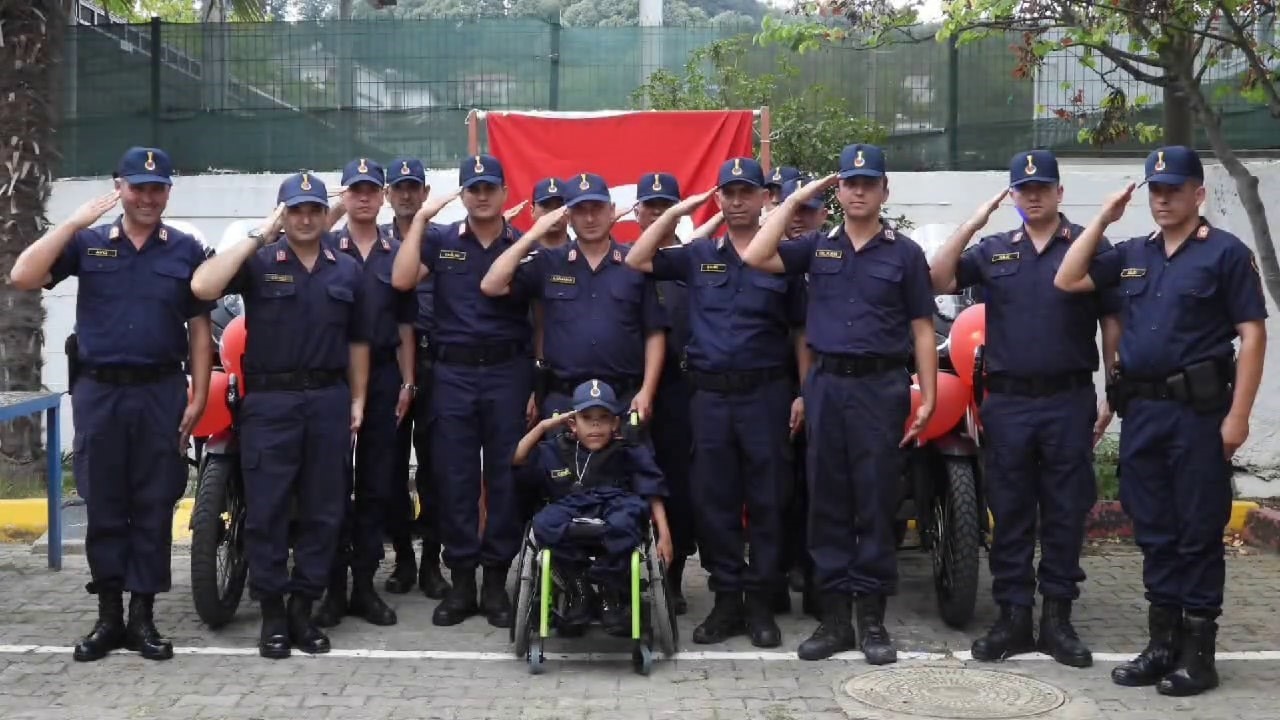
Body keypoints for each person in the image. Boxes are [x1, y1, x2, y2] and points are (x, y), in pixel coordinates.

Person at [1053, 146, 1267, 696]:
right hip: (1144, 412)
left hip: (1198, 415)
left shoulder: (1224, 254)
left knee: (1196, 531)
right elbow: (1067, 278)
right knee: (1153, 530)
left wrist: (1238, 415)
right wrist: (1103, 217)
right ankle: (1162, 644)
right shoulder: (1130, 254)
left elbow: (1252, 334)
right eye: (1155, 189)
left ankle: (1199, 654)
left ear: (1198, 194)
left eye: (1174, 188)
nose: (1163, 197)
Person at [10, 147, 213, 662]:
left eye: (157, 187)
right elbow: (23, 276)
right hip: (100, 391)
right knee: (102, 500)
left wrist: (200, 392)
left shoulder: (185, 249)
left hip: (161, 391)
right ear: (118, 187)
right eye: (138, 186)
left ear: (168, 192)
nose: (147, 197)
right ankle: (108, 618)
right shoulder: (88, 243)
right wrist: (72, 222)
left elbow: (199, 327)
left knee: (153, 500)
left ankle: (143, 617)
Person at [742, 144, 937, 664]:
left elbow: (922, 329)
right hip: (826, 385)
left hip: (880, 388)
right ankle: (834, 621)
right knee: (827, 501)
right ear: (839, 191)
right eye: (849, 182)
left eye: (867, 183)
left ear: (883, 191)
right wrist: (800, 195)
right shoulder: (817, 248)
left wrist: (929, 394)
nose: (857, 190)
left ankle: (871, 622)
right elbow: (756, 254)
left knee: (874, 502)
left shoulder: (906, 254)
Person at [928, 150, 1119, 668]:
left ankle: (1057, 619)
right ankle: (1013, 617)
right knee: (1010, 512)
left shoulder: (1091, 246)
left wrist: (1113, 390)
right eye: (1023, 189)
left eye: (1042, 187)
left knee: (1064, 511)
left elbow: (1111, 322)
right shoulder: (993, 250)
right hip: (1008, 400)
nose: (1033, 196)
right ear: (1012, 196)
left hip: (1067, 398)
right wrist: (973, 220)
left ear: (1058, 193)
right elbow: (939, 279)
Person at [627, 158, 808, 649]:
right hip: (708, 397)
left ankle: (761, 601)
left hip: (766, 394)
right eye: (727, 193)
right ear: (718, 199)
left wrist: (803, 392)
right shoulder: (696, 254)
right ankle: (727, 597)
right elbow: (637, 258)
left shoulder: (784, 259)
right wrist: (679, 210)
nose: (736, 201)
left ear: (763, 197)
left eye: (746, 192)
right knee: (714, 501)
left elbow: (800, 335)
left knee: (769, 498)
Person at [191, 172, 369, 659]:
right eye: (295, 209)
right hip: (270, 403)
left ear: (324, 213)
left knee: (323, 508)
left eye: (313, 208)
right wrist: (258, 234)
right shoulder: (259, 262)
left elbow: (358, 342)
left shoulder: (346, 270)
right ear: (282, 214)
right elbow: (203, 284)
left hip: (329, 401)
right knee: (266, 509)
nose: (306, 217)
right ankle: (271, 613)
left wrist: (357, 399)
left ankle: (302, 611)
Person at [391, 154, 530, 629]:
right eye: (473, 188)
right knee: (455, 480)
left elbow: (543, 316)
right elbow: (402, 280)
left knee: (505, 478)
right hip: (451, 375)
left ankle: (496, 582)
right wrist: (423, 219)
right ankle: (463, 582)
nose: (482, 195)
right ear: (463, 194)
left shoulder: (521, 245)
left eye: (490, 187)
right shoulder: (441, 240)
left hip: (507, 372)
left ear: (505, 192)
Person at [311, 159, 416, 629]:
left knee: (377, 484)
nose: (364, 198)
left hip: (385, 377)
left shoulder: (398, 250)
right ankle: (332, 586)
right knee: (331, 485)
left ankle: (365, 584)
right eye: (355, 190)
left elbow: (406, 322)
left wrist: (409, 381)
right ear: (344, 195)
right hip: (332, 376)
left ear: (384, 195)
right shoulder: (323, 245)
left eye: (372, 190)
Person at [481, 172, 666, 423]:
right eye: (580, 210)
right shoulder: (548, 263)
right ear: (567, 216)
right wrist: (533, 234)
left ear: (611, 211)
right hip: (564, 400)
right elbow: (491, 285)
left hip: (623, 399)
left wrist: (648, 391)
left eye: (597, 208)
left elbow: (654, 333)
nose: (589, 218)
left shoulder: (634, 263)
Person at [513, 380, 672, 636]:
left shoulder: (626, 450)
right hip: (571, 508)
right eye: (587, 418)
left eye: (603, 418)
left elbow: (651, 491)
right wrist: (544, 425)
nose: (596, 425)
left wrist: (664, 534)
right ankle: (579, 587)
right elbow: (518, 458)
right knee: (543, 522)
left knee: (629, 517)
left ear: (615, 423)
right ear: (573, 423)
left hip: (614, 505)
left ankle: (611, 590)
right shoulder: (557, 448)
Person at [382, 156, 451, 600]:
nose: (407, 194)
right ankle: (403, 558)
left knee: (437, 470)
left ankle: (432, 564)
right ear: (388, 194)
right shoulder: (374, 242)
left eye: (414, 186)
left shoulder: (445, 241)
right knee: (388, 470)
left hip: (439, 363)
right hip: (387, 365)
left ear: (426, 193)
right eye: (399, 187)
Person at [630, 172, 697, 615]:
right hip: (628, 389)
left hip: (682, 390)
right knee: (628, 481)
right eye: (650, 205)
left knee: (677, 485)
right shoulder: (624, 262)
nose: (657, 212)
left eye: (665, 205)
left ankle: (672, 579)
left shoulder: (694, 260)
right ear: (636, 212)